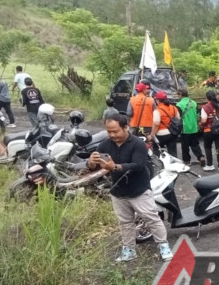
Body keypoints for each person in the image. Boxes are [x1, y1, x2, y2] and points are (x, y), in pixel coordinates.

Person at [87, 112, 173, 262]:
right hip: (119, 191)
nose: (112, 135)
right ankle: (129, 249)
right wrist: (91, 162)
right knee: (125, 222)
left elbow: (138, 165)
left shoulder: (138, 144)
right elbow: (95, 167)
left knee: (151, 218)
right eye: (109, 131)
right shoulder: (105, 144)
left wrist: (115, 167)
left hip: (139, 190)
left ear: (125, 127)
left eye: (115, 131)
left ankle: (163, 245)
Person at [175, 90, 205, 167]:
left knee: (185, 146)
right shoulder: (194, 103)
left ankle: (187, 161)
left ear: (181, 94)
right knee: (195, 144)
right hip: (194, 127)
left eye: (178, 94)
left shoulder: (179, 104)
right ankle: (200, 157)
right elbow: (197, 115)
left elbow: (178, 117)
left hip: (185, 128)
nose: (177, 96)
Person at [200, 90, 219, 172]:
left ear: (207, 98)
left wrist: (200, 123)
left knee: (208, 147)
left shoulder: (205, 108)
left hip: (208, 130)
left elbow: (204, 120)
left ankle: (210, 165)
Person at [149, 91, 180, 157]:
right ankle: (174, 165)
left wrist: (152, 135)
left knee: (157, 149)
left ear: (157, 100)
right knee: (172, 152)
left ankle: (161, 163)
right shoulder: (173, 108)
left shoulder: (157, 110)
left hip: (161, 134)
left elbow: (156, 124)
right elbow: (178, 119)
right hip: (173, 133)